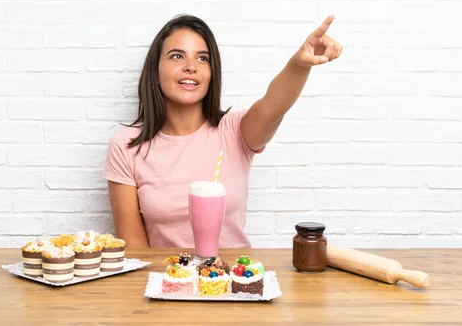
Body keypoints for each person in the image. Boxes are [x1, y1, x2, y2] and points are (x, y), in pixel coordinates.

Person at [104, 14, 342, 249]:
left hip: (235, 282)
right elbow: (134, 249)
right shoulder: (126, 146)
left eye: (202, 59)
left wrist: (299, 64)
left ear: (211, 73)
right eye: (177, 56)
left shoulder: (235, 131)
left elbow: (273, 106)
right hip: (168, 283)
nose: (190, 67)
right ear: (155, 71)